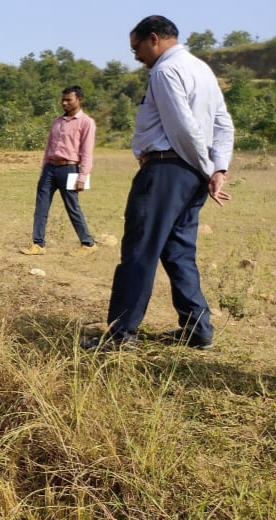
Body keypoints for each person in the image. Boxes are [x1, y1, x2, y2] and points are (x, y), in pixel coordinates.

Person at [82, 15, 234, 351]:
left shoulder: (165, 71)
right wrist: (217, 167)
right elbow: (223, 124)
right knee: (178, 251)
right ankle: (198, 329)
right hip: (193, 175)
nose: (135, 55)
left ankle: (121, 335)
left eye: (136, 48)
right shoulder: (202, 69)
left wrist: (210, 168)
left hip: (168, 169)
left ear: (153, 38)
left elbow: (183, 128)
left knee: (139, 250)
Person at [21, 85, 97, 257]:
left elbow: (87, 152)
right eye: (63, 100)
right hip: (50, 169)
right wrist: (44, 169)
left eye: (68, 100)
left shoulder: (86, 122)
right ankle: (38, 244)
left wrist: (83, 177)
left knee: (72, 207)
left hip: (69, 169)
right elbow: (49, 147)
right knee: (41, 206)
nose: (64, 103)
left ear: (79, 100)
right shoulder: (57, 122)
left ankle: (88, 243)